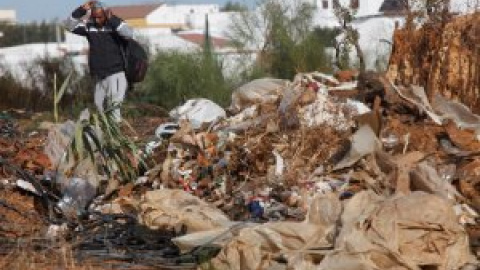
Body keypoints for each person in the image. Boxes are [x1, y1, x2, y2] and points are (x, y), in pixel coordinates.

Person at [65, 1, 133, 121]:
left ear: (106, 14)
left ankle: (116, 132)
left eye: (99, 17)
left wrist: (112, 19)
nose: (97, 20)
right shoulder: (89, 27)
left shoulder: (115, 25)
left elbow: (128, 34)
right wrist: (81, 10)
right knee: (98, 104)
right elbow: (68, 26)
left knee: (114, 105)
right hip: (99, 74)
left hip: (115, 72)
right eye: (94, 17)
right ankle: (105, 129)